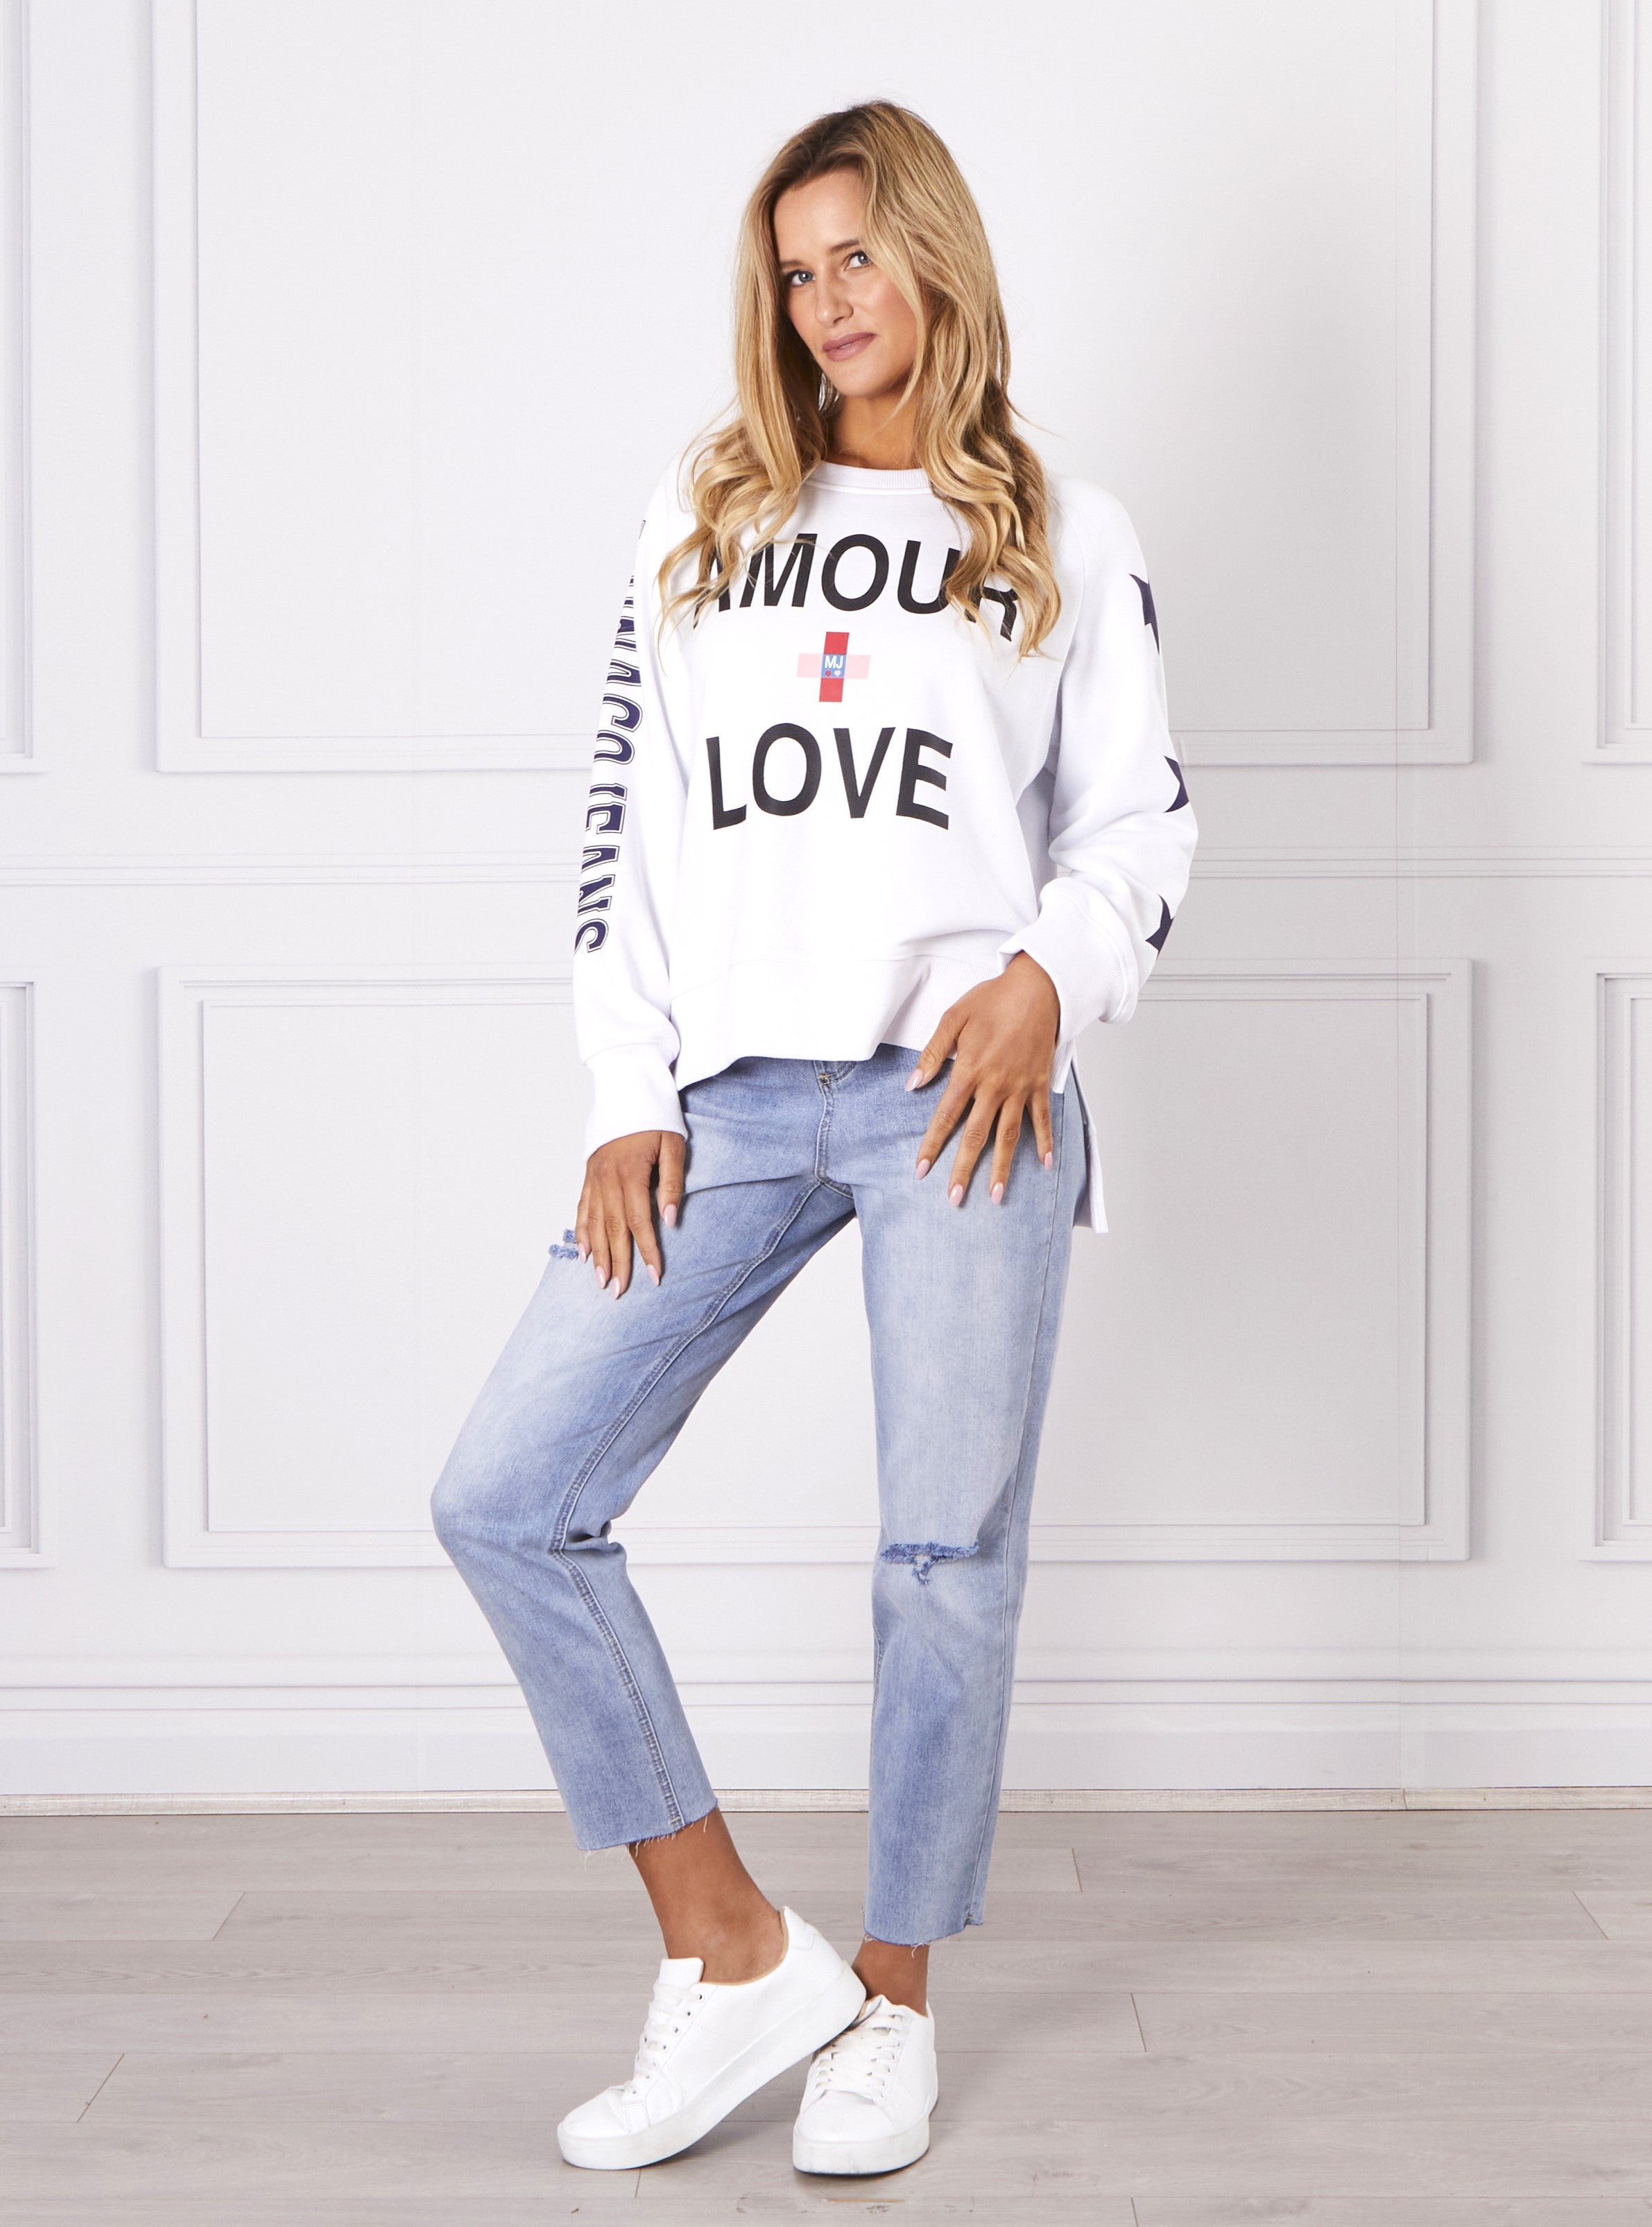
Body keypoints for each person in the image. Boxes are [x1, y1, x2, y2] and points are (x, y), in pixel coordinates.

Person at [431, 98, 1196, 2180]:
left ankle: (896, 2009)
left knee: (943, 1559)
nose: (827, 300)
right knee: (507, 1497)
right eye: (795, 270)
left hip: (964, 1092)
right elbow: (622, 827)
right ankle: (735, 1948)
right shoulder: (704, 516)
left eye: (858, 254)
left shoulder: (1064, 528)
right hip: (737, 1095)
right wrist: (627, 1093)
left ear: (935, 255)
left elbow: (1140, 827)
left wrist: (1048, 976)